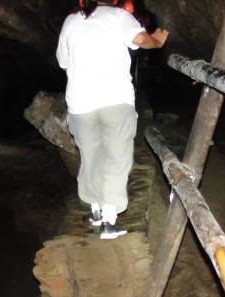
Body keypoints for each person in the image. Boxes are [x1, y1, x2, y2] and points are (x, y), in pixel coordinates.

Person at [56, 0, 169, 239]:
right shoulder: (118, 16)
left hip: (81, 103)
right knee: (116, 158)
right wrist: (157, 41)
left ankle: (95, 211)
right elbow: (140, 40)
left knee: (91, 155)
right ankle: (109, 221)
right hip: (115, 99)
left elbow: (62, 62)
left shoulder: (71, 20)